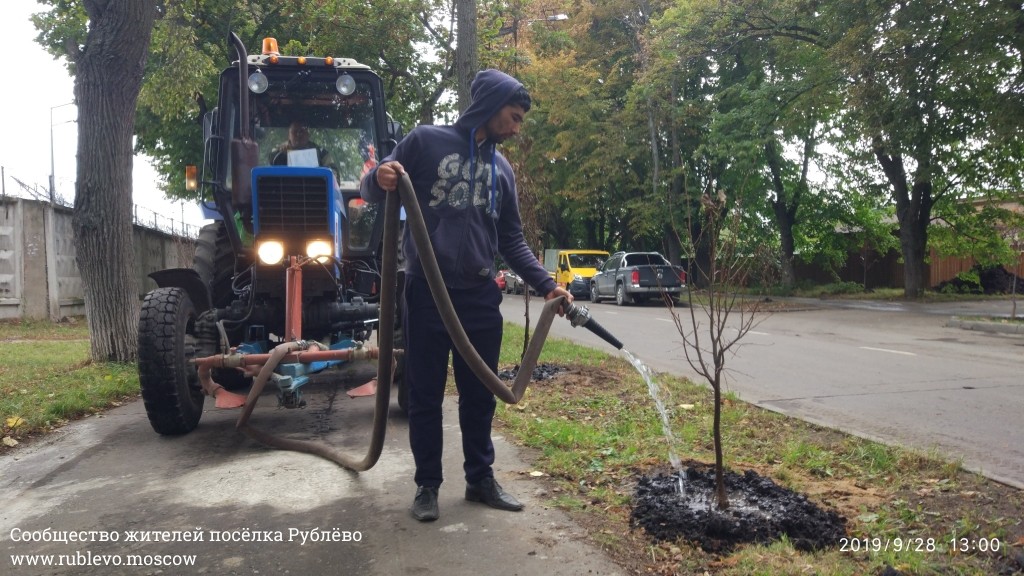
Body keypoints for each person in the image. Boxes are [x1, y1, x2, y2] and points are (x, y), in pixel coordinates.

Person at [360, 69, 572, 522]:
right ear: (491, 106)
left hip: (479, 297)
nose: (516, 129)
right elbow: (370, 189)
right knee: (425, 395)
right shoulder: (424, 142)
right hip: (426, 292)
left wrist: (547, 284)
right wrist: (380, 176)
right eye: (513, 118)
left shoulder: (502, 170)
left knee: (480, 395)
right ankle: (427, 486)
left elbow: (511, 240)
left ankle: (480, 479)